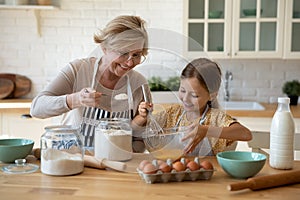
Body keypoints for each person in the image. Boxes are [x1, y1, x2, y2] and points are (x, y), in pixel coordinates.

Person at [30, 15, 151, 152]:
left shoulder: (139, 84)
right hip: (72, 160)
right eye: (123, 53)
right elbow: (36, 108)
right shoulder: (78, 70)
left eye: (136, 55)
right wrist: (76, 99)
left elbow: (140, 140)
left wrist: (123, 154)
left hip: (116, 165)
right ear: (105, 48)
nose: (130, 63)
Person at [140, 58, 252, 156]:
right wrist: (143, 115)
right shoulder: (173, 113)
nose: (185, 98)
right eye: (182, 90)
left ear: (212, 95)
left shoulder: (215, 118)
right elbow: (146, 127)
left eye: (194, 95)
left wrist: (206, 130)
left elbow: (246, 134)